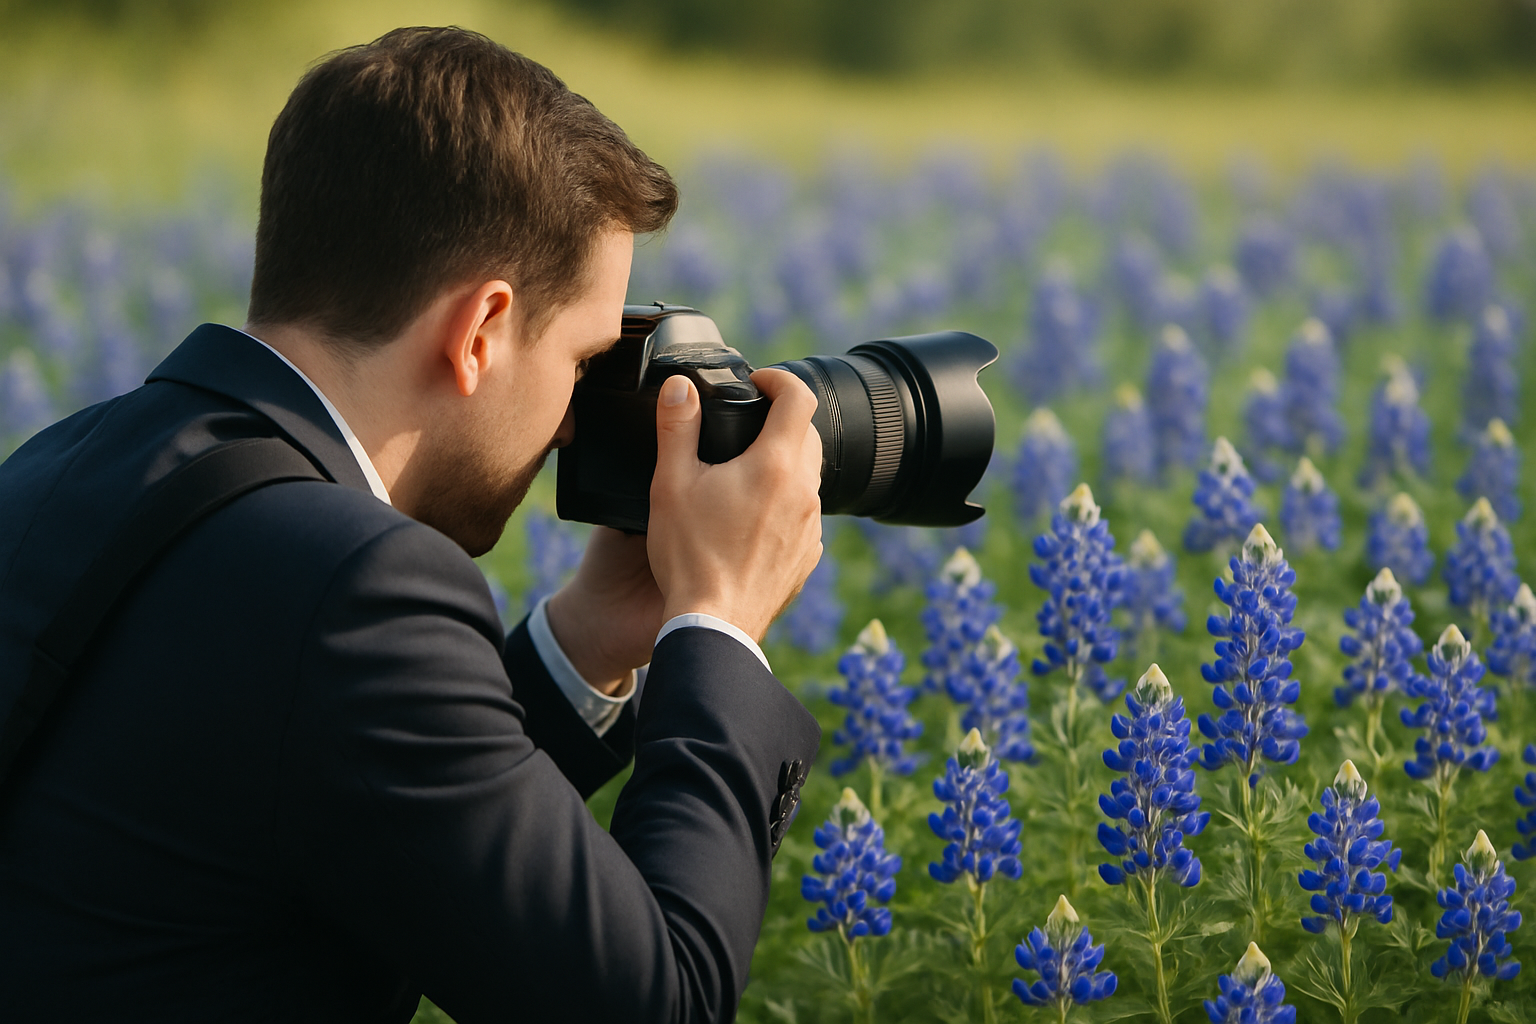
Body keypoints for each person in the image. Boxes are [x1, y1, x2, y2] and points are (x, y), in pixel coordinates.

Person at [0, 26, 824, 1023]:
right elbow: (658, 1003)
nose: (574, 422)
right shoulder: (358, 584)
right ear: (479, 331)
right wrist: (719, 626)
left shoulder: (61, 464)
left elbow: (344, 792)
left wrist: (587, 642)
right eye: (580, 361)